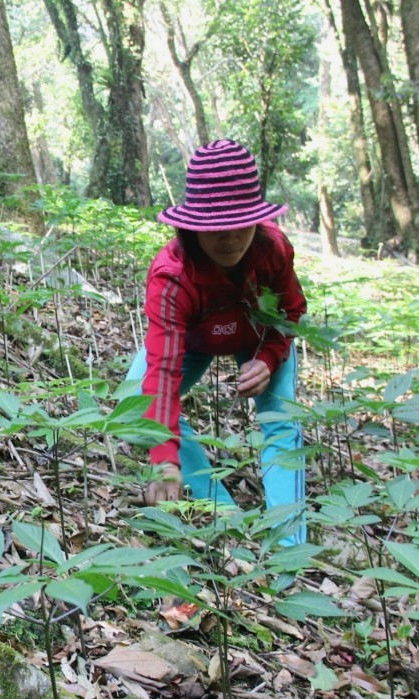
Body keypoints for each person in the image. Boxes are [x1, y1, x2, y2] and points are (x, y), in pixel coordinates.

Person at [126, 139, 308, 546]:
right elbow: (163, 373)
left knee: (280, 423)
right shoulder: (172, 277)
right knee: (134, 404)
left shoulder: (273, 250)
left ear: (257, 221)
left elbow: (292, 310)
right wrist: (164, 460)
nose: (229, 239)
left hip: (259, 333)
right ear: (191, 226)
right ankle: (223, 514)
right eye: (215, 228)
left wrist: (270, 356)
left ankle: (288, 549)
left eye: (241, 224)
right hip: (195, 340)